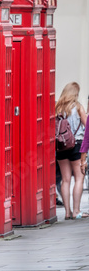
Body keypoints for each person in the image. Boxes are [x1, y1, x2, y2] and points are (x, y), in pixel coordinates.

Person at [55, 82, 88, 219]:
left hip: (61, 146)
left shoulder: (57, 108)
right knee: (79, 178)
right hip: (77, 145)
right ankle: (76, 211)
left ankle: (67, 213)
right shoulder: (78, 107)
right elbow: (88, 127)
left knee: (65, 180)